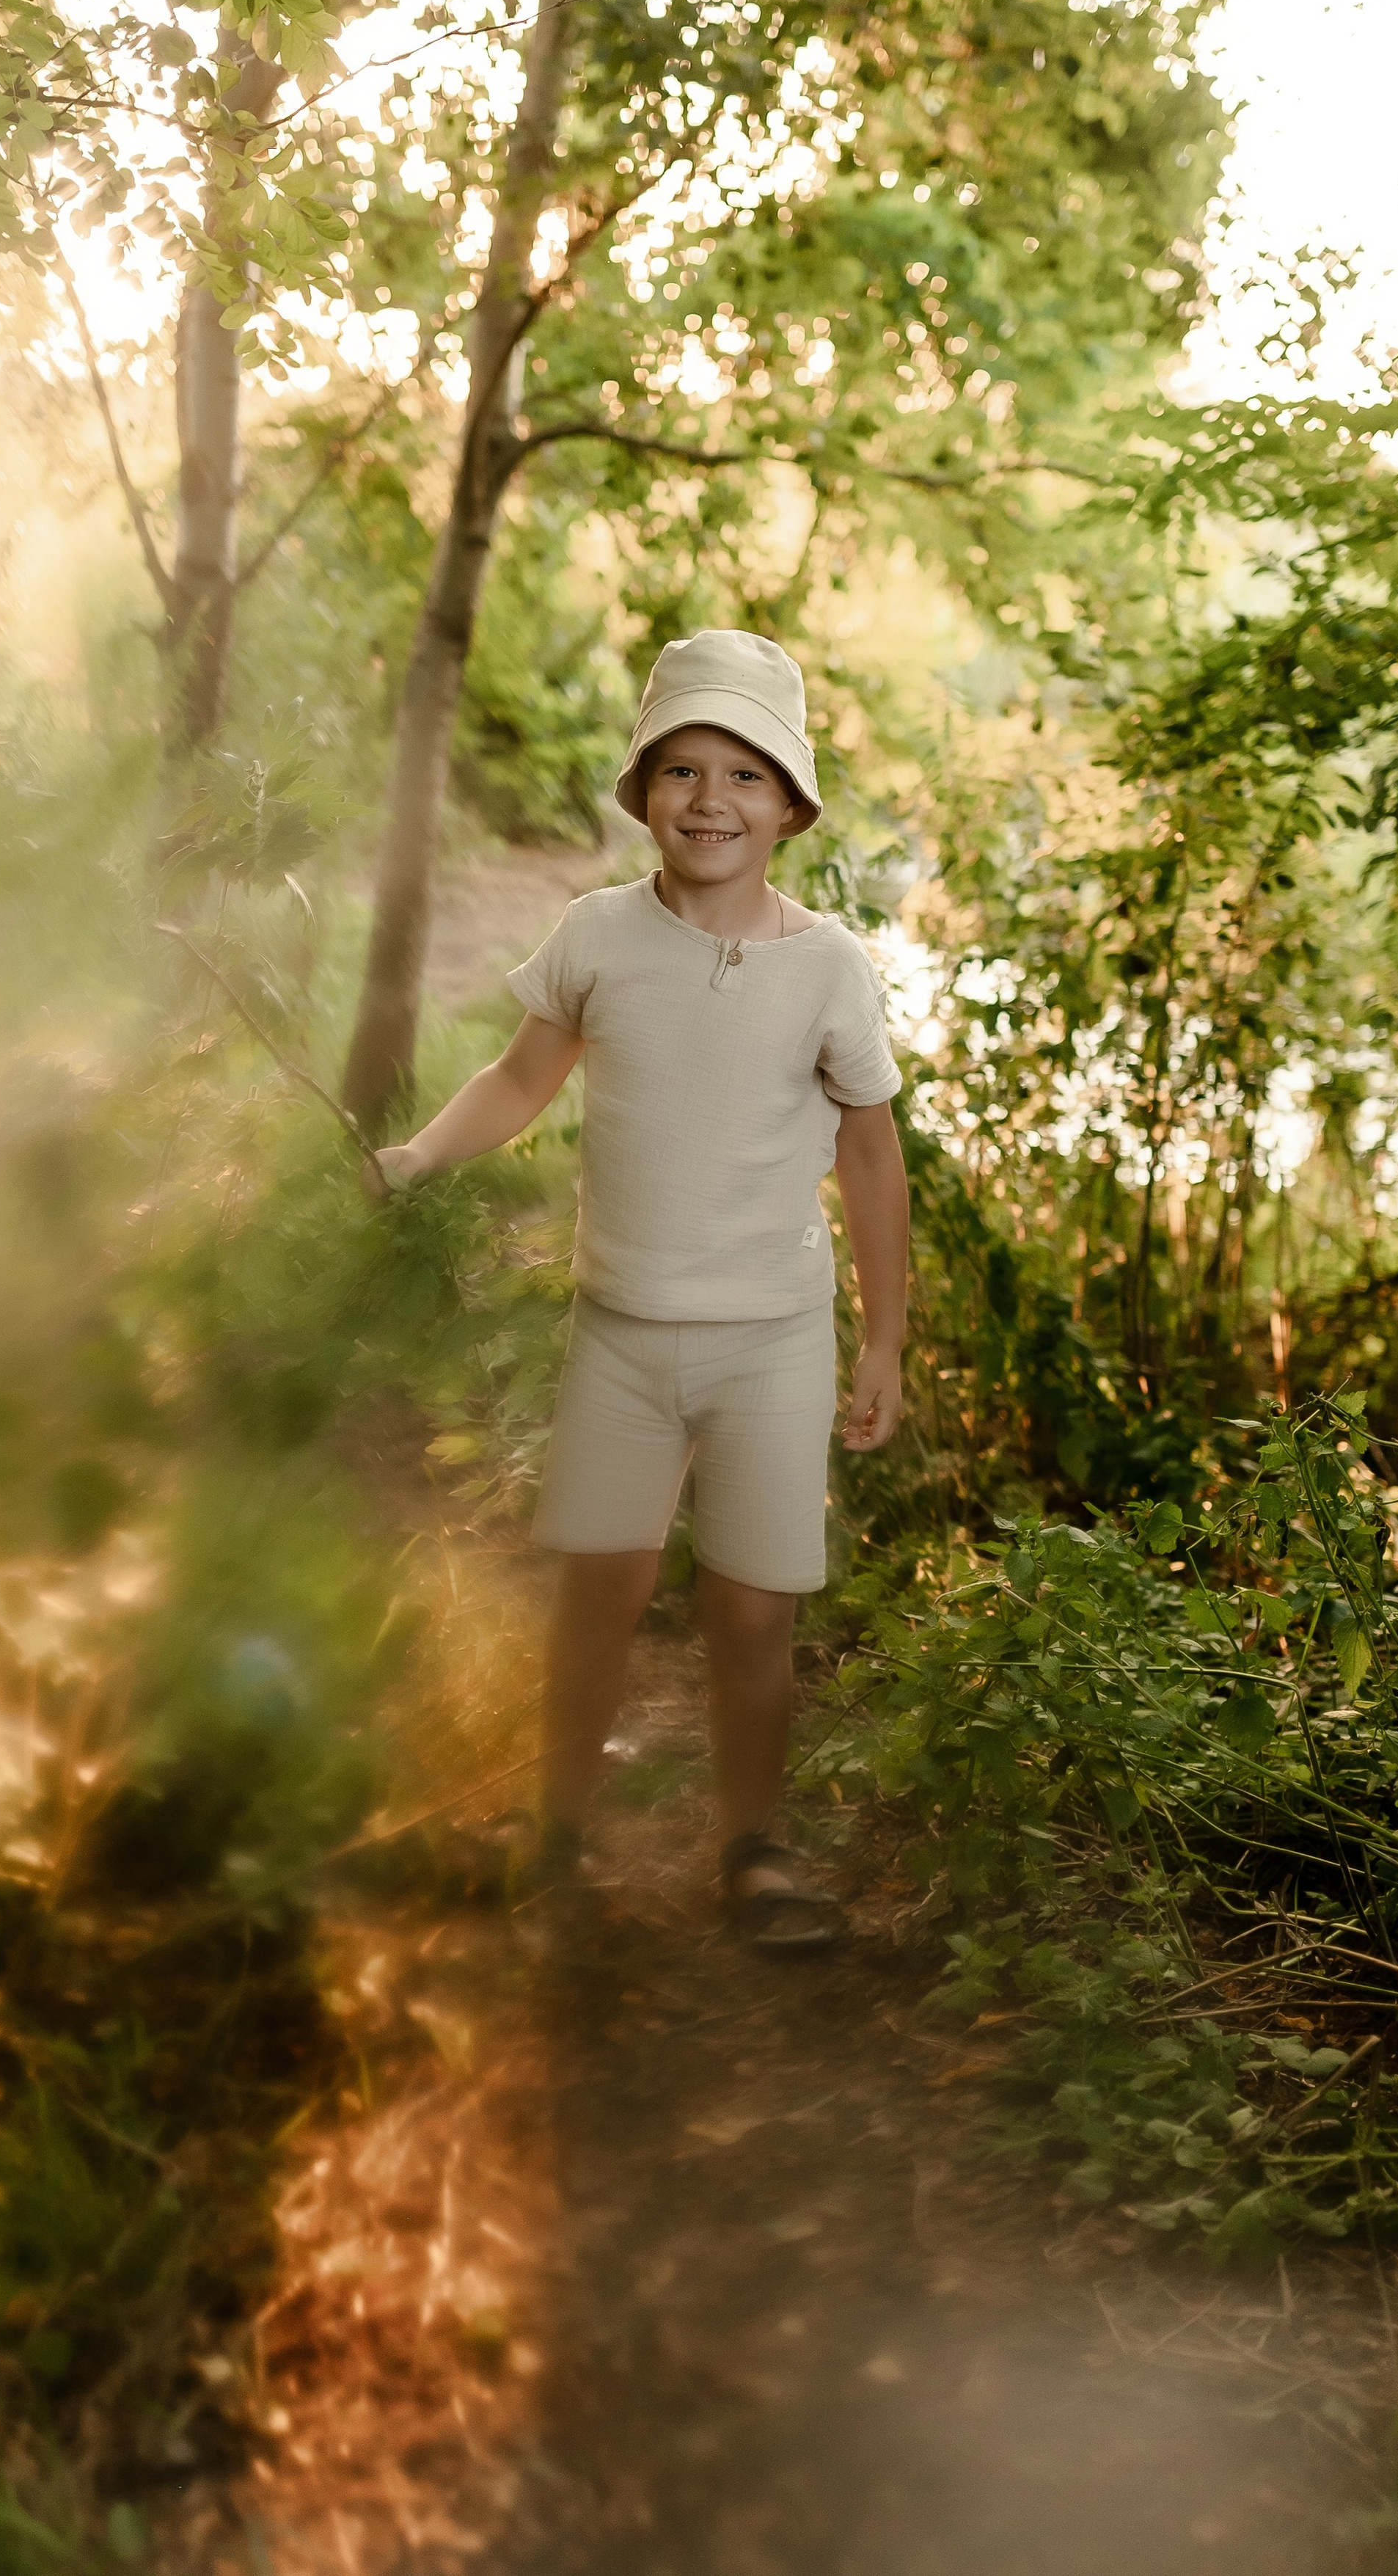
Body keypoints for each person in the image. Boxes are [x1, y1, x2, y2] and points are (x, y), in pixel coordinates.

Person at [367, 630, 910, 1949]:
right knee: (596, 1592)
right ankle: (554, 1832)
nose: (709, 799)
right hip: (619, 1332)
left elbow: (872, 1156)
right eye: (680, 769)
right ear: (643, 791)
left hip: (772, 1340)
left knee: (751, 1607)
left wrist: (884, 1340)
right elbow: (519, 1080)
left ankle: (753, 1847)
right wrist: (417, 1154)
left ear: (789, 804)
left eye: (741, 774)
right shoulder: (596, 936)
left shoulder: (828, 967)